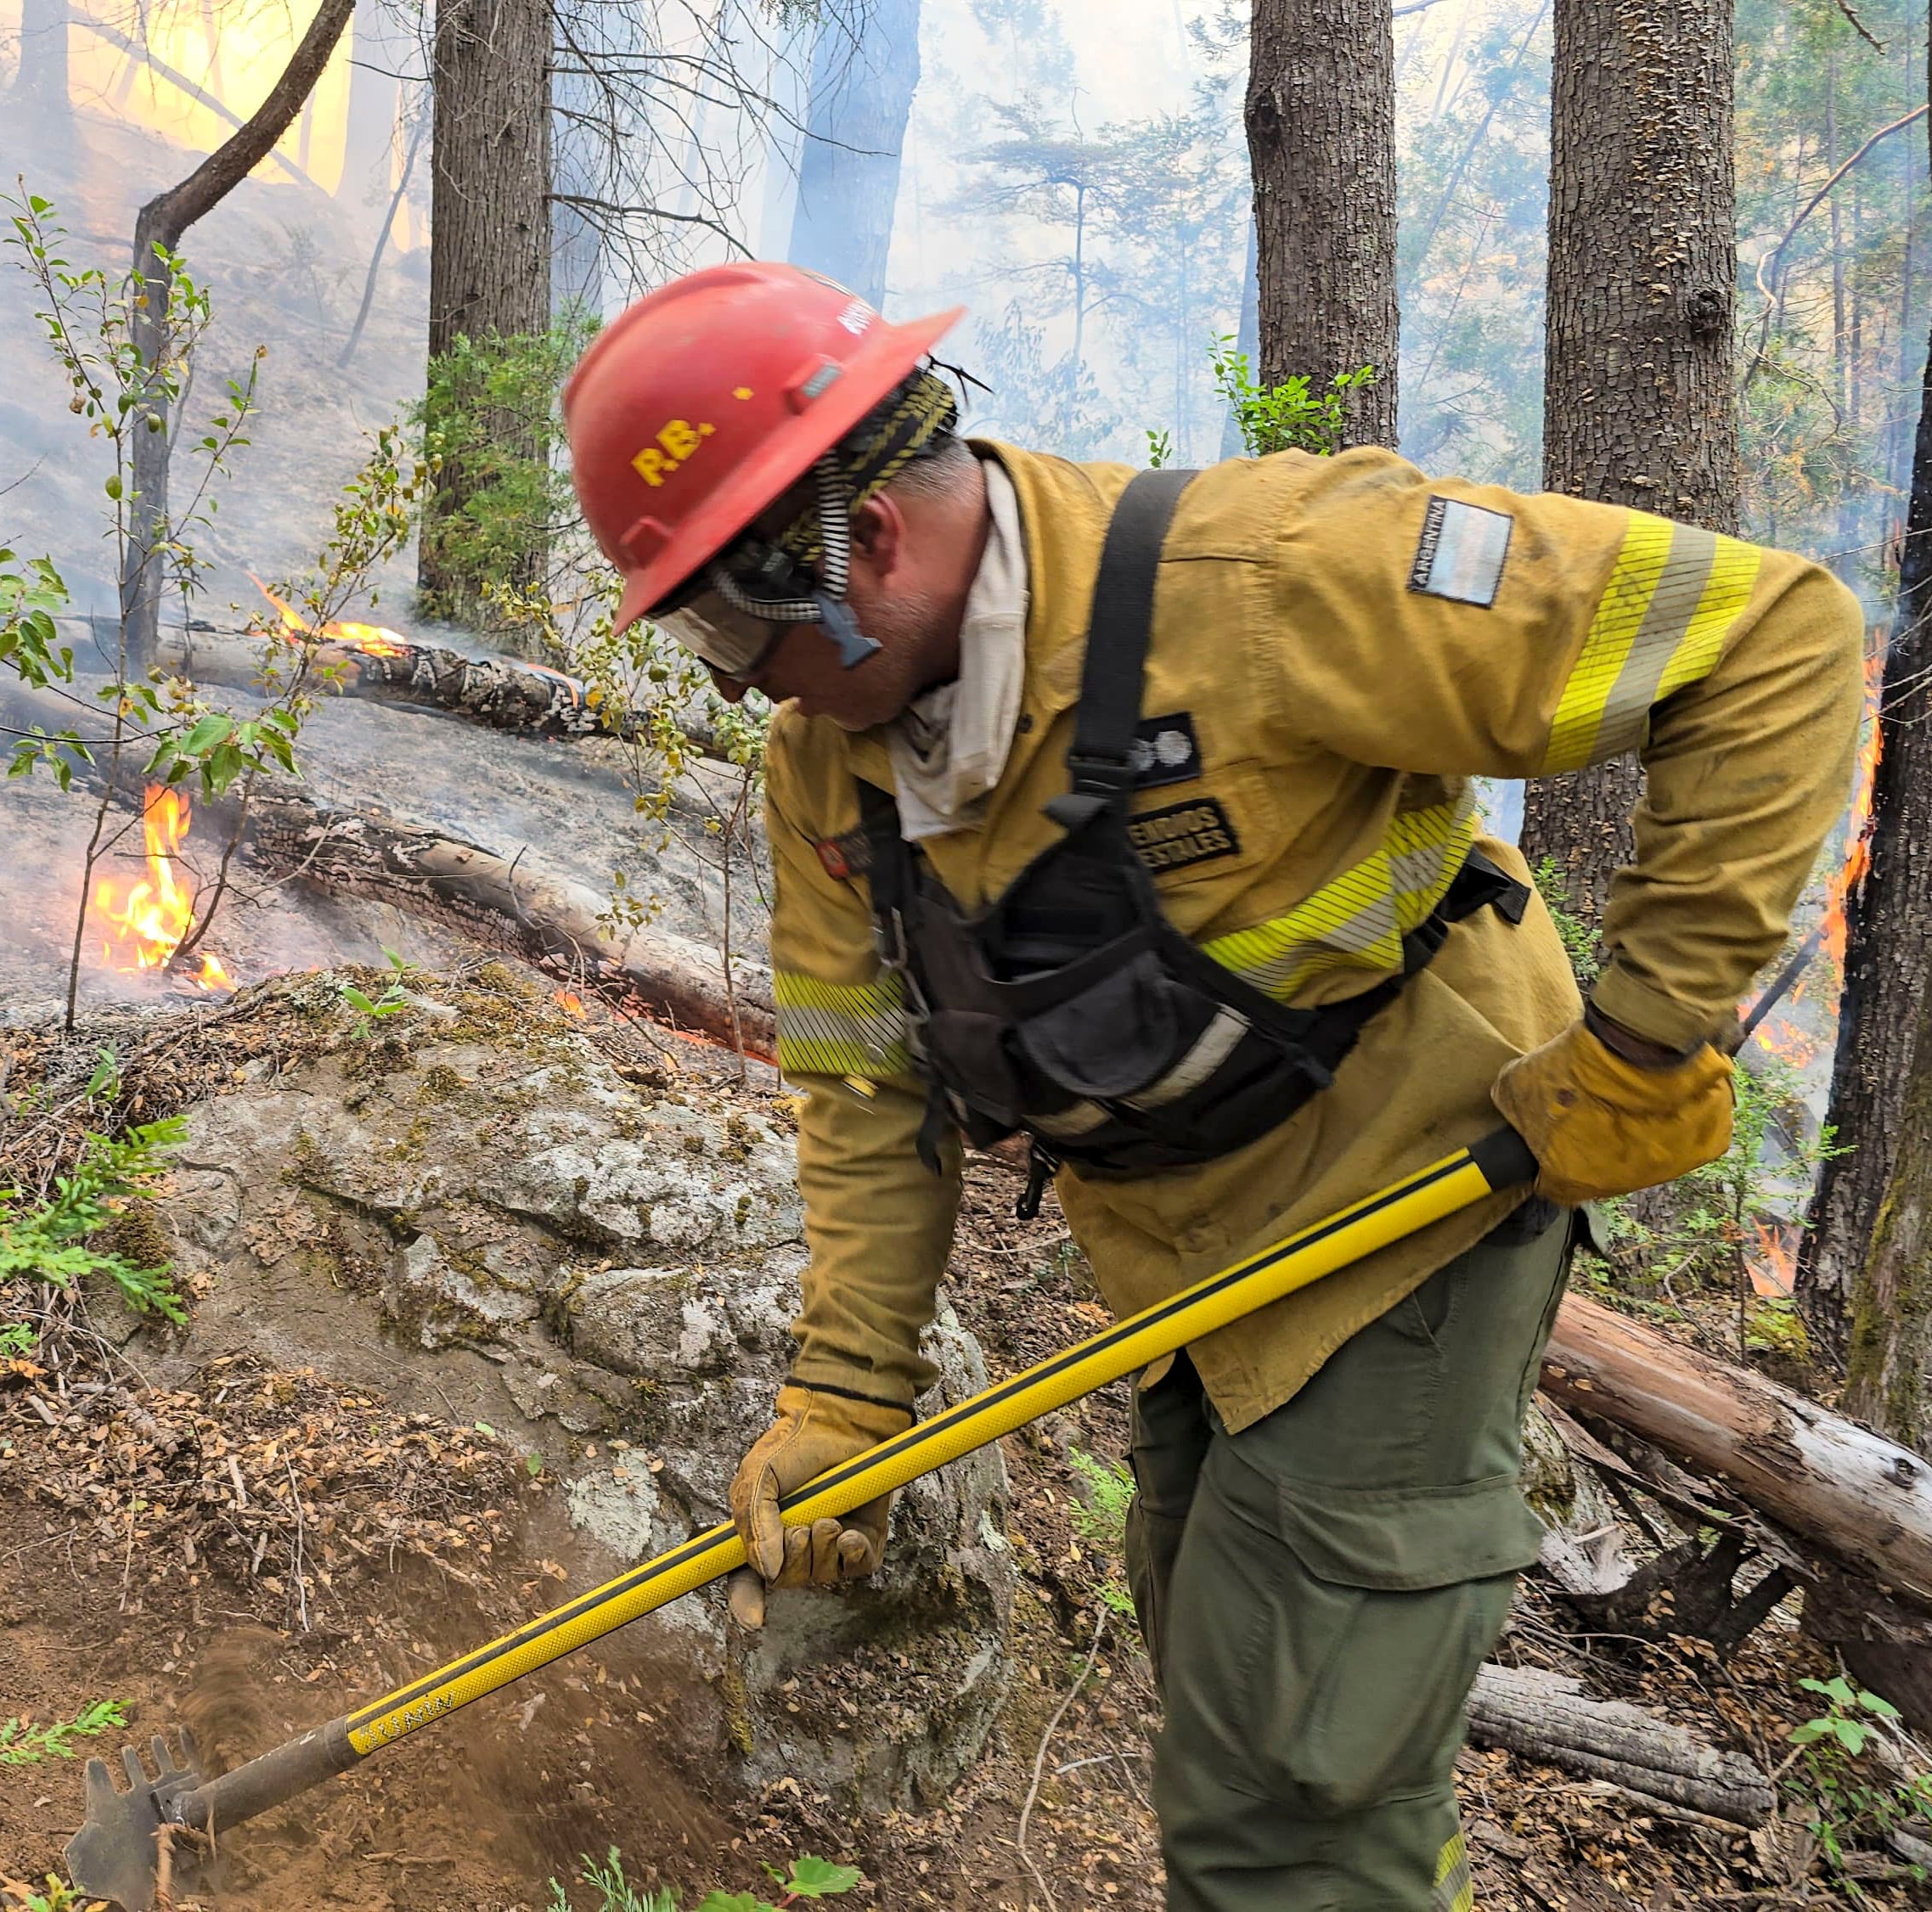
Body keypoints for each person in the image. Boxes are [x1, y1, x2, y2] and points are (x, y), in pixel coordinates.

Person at [560, 261, 1864, 1911]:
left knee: (1289, 1799)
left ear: (861, 541)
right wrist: (843, 1401)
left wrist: (1648, 1035)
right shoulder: (831, 772)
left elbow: (1772, 640)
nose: (733, 680)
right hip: (1185, 1257)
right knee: (1224, 1676)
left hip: (1410, 1202)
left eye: (723, 627)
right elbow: (867, 1099)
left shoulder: (1264, 580)